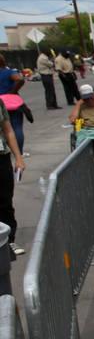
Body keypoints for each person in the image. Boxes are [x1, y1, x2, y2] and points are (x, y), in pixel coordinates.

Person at [0, 95, 25, 259]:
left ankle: (8, 242)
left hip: (1, 157)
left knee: (5, 202)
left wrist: (19, 158)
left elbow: (8, 130)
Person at [0, 55, 26, 155]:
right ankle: (19, 152)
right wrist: (13, 91)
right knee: (16, 127)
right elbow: (20, 79)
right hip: (11, 103)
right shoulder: (8, 72)